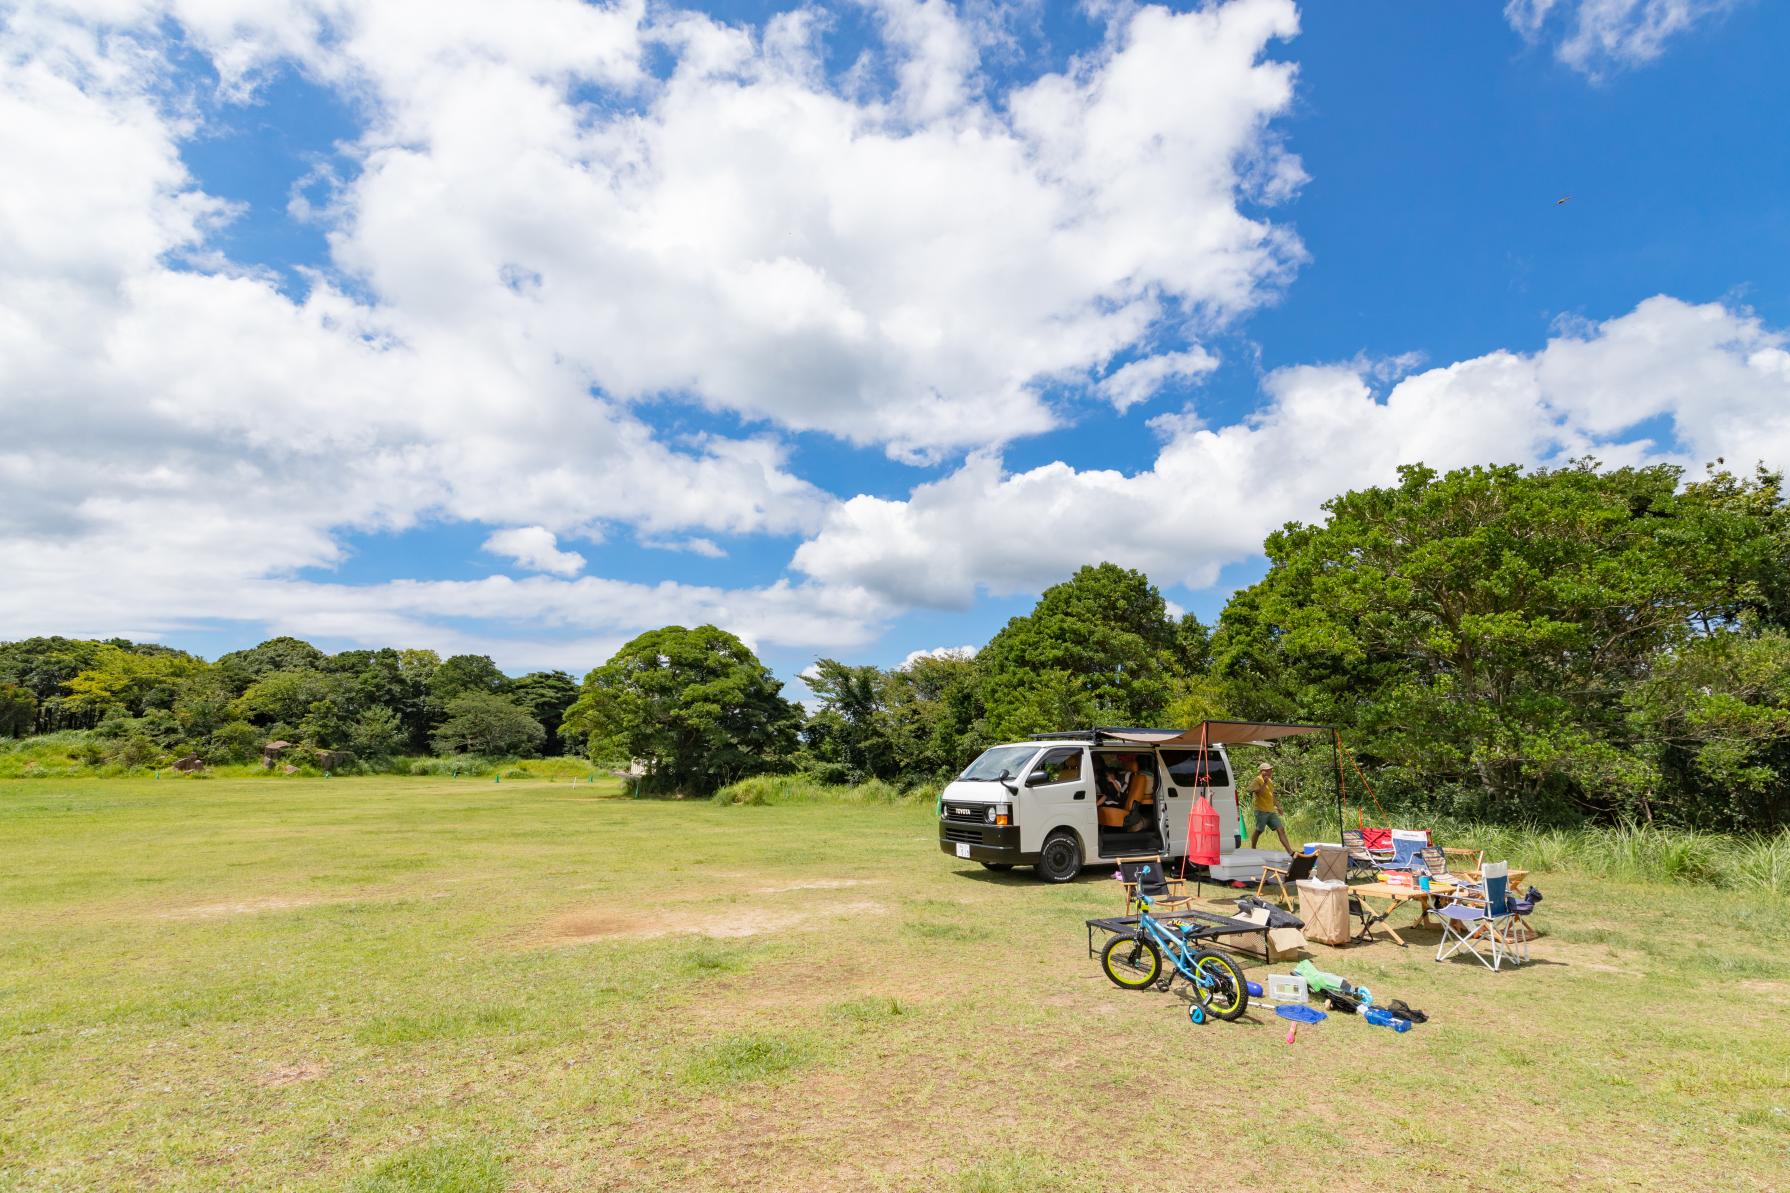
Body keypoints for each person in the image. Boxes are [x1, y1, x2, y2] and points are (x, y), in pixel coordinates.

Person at [1247, 761, 1293, 855]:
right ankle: (1253, 848)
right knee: (1259, 830)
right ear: (1261, 771)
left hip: (1271, 811)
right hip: (1261, 811)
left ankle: (1290, 852)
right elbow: (1258, 793)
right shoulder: (1257, 780)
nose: (1270, 772)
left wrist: (1278, 806)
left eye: (1270, 770)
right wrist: (1264, 783)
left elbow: (1271, 796)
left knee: (1281, 829)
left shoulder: (1270, 781)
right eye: (1267, 770)